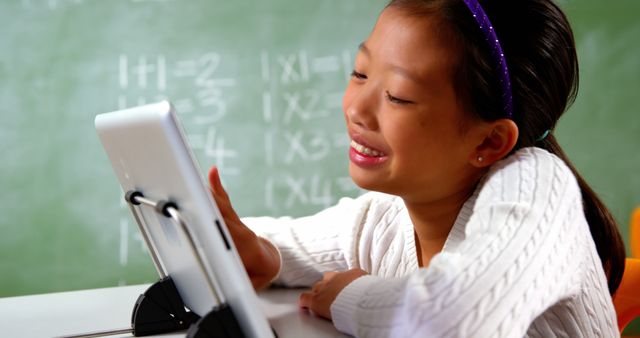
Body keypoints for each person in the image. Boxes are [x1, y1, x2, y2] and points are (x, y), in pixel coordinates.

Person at [208, 0, 626, 336]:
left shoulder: (539, 188)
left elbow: (452, 317)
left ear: (488, 141)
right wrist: (264, 255)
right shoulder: (387, 218)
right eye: (360, 72)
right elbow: (288, 244)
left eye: (398, 96)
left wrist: (349, 295)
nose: (356, 108)